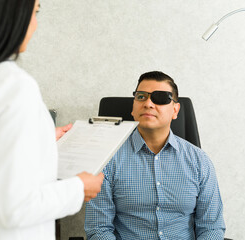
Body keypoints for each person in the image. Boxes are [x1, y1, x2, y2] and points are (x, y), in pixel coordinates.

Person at [0, 0, 104, 239]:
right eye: (36, 12)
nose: (35, 24)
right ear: (7, 15)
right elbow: (17, 207)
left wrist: (40, 140)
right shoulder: (13, 86)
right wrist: (79, 188)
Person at [85, 71, 226, 239]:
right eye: (141, 97)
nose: (148, 103)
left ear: (175, 110)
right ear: (133, 107)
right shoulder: (108, 160)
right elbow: (99, 229)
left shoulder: (199, 161)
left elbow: (211, 228)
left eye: (160, 98)